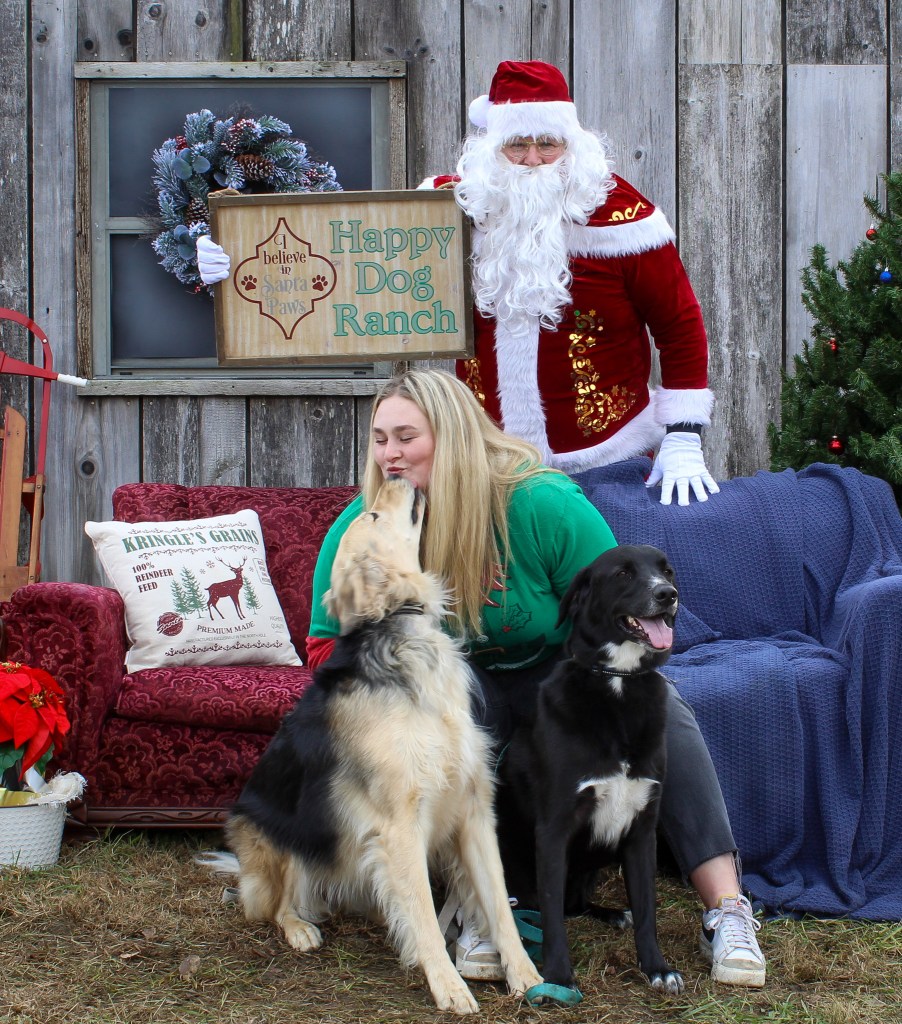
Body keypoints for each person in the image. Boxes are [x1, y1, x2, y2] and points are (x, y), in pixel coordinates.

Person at [305, 367, 766, 989]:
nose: (390, 454)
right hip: (454, 684)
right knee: (455, 698)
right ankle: (480, 907)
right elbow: (324, 645)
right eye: (380, 438)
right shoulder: (365, 526)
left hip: (562, 672)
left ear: (454, 437)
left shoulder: (540, 503)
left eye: (407, 437)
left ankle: (727, 908)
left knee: (662, 711)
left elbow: (614, 601)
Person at [420, 59, 720, 506]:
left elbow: (678, 323)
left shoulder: (625, 220)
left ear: (571, 143)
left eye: (547, 144)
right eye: (517, 145)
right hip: (488, 460)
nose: (533, 159)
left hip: (610, 459)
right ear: (493, 148)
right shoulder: (456, 209)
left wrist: (683, 435)